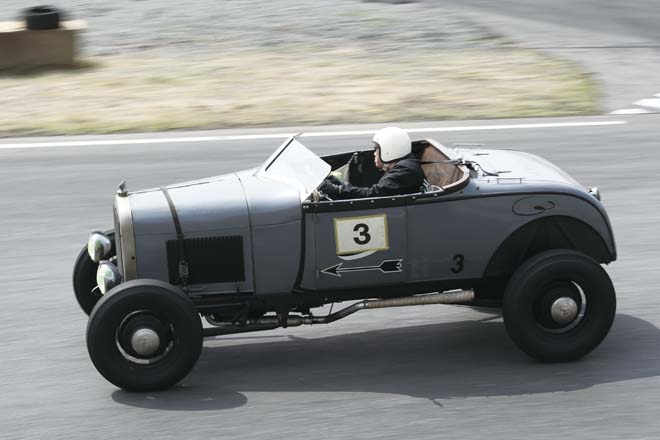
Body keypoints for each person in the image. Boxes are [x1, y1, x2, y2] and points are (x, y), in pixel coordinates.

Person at [318, 127, 425, 199]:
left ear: (390, 149)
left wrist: (339, 190)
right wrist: (338, 184)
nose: (374, 154)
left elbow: (374, 194)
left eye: (376, 149)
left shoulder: (405, 171)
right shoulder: (403, 167)